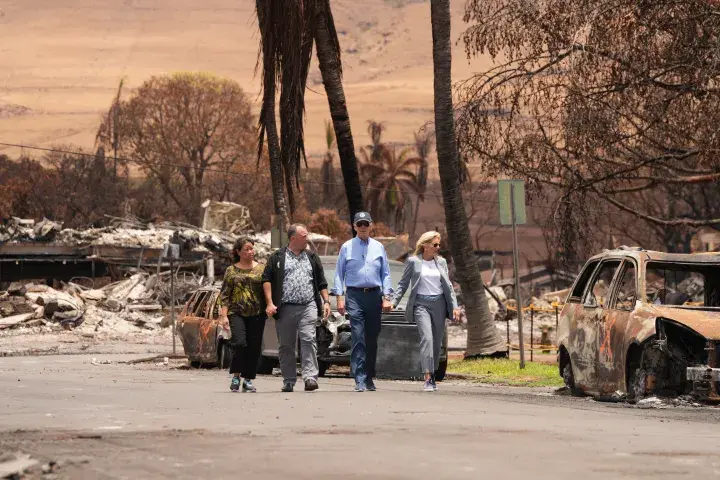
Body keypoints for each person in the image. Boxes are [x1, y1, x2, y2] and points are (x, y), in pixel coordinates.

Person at [262, 224, 332, 392]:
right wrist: (270, 302)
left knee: (308, 340)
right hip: (285, 308)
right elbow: (266, 279)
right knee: (286, 345)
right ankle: (288, 380)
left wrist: (326, 301)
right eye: (304, 236)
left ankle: (310, 378)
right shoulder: (277, 257)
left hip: (308, 306)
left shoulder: (312, 257)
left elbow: (321, 282)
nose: (307, 239)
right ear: (292, 238)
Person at [332, 212, 393, 392]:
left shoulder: (379, 247)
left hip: (374, 295)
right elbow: (339, 273)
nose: (363, 227)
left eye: (366, 223)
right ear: (354, 226)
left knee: (372, 337)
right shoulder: (347, 247)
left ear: (371, 225)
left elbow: (386, 274)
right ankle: (359, 377)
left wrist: (387, 297)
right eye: (360, 224)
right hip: (355, 295)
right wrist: (339, 298)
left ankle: (368, 376)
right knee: (358, 336)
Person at [392, 231, 460, 392]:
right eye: (435, 245)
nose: (438, 247)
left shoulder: (441, 262)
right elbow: (403, 284)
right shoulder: (413, 262)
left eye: (439, 245)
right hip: (421, 304)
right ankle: (427, 376)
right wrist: (393, 302)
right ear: (425, 245)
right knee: (427, 339)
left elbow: (448, 286)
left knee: (437, 343)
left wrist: (455, 306)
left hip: (439, 305)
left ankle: (433, 371)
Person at [218, 237, 267, 393]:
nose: (250, 252)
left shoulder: (261, 269)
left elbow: (267, 290)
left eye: (252, 248)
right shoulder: (231, 271)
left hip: (257, 313)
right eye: (246, 249)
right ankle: (236, 375)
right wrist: (224, 316)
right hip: (236, 313)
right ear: (238, 252)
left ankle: (248, 379)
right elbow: (225, 295)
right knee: (239, 343)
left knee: (254, 347)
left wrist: (271, 304)